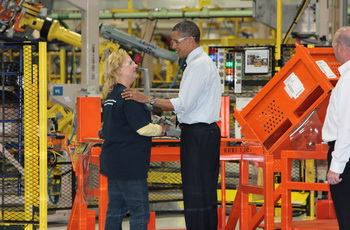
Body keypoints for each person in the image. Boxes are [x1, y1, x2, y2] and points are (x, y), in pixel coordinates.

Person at [122, 20, 222, 230]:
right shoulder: (197, 63)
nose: (173, 46)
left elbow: (183, 104)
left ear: (191, 40)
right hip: (200, 134)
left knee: (196, 192)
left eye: (176, 42)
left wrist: (146, 99)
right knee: (202, 191)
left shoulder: (198, 65)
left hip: (199, 134)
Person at [100, 49, 169, 230]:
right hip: (130, 165)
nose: (136, 66)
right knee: (140, 212)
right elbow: (143, 128)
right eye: (130, 63)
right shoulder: (129, 97)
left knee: (115, 210)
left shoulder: (110, 96)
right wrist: (162, 130)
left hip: (113, 162)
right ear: (118, 70)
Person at [322, 26, 350, 230]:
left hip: (346, 158)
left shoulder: (348, 80)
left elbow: (347, 126)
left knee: (346, 215)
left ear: (340, 48)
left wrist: (336, 166)